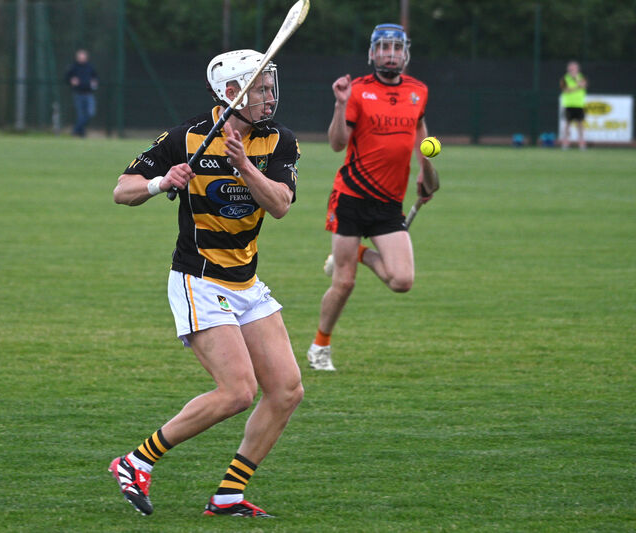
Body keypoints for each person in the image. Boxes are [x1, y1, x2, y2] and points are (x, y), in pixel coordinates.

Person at [109, 49, 303, 518]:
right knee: (238, 391)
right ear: (230, 92)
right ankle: (135, 462)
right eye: (259, 88)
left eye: (270, 85)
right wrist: (160, 183)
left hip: (246, 281)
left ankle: (228, 495)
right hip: (199, 279)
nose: (269, 96)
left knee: (286, 390)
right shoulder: (187, 137)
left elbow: (279, 204)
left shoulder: (280, 142)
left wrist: (243, 165)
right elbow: (122, 190)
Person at [307, 23, 433, 371]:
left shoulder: (418, 91)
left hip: (390, 202)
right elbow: (336, 144)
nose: (390, 55)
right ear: (372, 53)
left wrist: (425, 167)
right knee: (343, 283)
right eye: (384, 48)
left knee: (402, 281)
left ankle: (359, 253)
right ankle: (320, 347)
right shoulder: (357, 90)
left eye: (396, 48)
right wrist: (339, 104)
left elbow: (421, 131)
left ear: (405, 54)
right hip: (351, 196)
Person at [65, 49, 98, 137]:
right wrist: (71, 81)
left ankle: (76, 130)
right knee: (81, 115)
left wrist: (94, 83)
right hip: (78, 94)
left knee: (90, 113)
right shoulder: (73, 67)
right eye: (80, 57)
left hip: (89, 94)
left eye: (83, 57)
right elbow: (67, 78)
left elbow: (95, 77)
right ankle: (81, 133)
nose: (81, 59)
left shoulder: (90, 67)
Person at [560, 60, 587, 150]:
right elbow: (566, 90)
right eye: (570, 68)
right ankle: (566, 142)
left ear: (577, 69)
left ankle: (581, 143)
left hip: (579, 104)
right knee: (567, 124)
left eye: (574, 68)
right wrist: (577, 86)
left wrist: (576, 82)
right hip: (568, 104)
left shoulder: (581, 77)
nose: (572, 70)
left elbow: (584, 85)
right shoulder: (564, 78)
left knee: (580, 124)